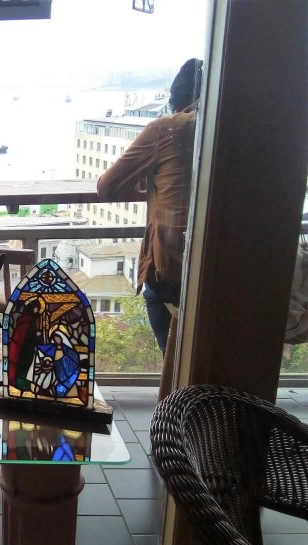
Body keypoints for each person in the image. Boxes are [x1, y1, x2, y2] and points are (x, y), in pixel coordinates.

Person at [97, 58, 203, 354]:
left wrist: (147, 177)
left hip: (174, 263)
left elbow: (106, 186)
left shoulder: (167, 129)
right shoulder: (227, 129)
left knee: (165, 322)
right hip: (221, 261)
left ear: (176, 100)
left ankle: (176, 375)